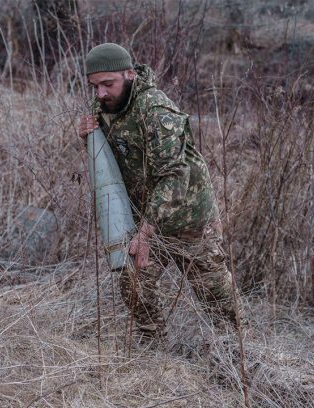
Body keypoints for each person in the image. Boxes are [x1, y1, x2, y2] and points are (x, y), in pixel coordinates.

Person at [78, 43, 244, 339]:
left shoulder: (154, 108)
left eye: (108, 84)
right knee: (133, 280)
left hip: (188, 218)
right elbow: (111, 164)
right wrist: (89, 139)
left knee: (217, 297)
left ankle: (242, 356)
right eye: (94, 86)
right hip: (147, 217)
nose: (101, 93)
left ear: (129, 74)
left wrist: (144, 234)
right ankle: (152, 349)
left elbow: (175, 175)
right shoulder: (103, 107)